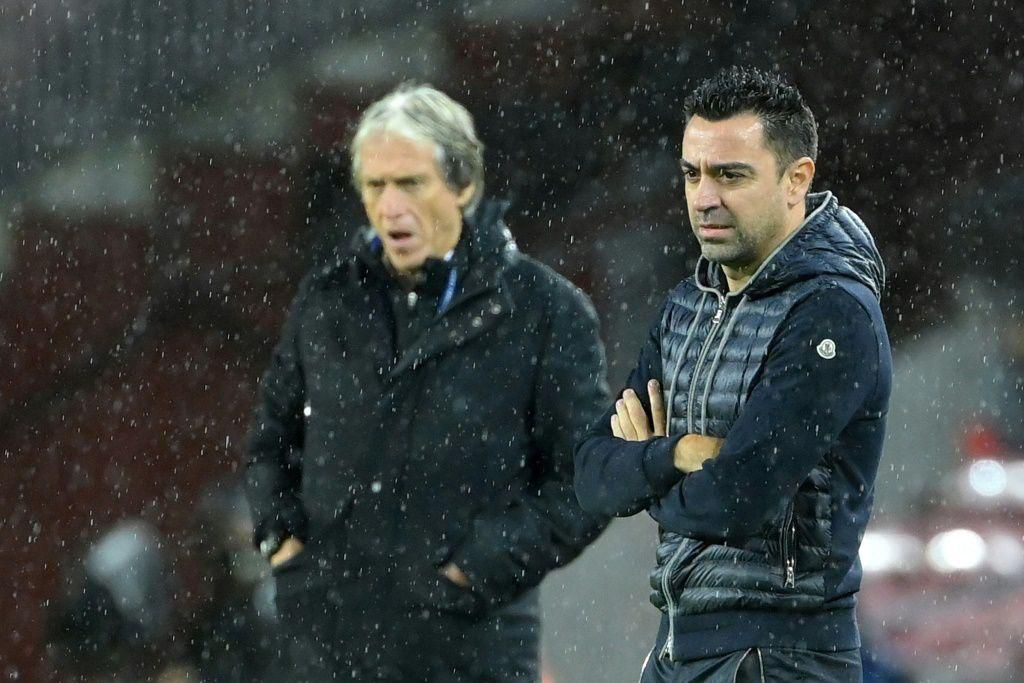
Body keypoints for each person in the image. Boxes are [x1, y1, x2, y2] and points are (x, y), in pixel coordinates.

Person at [244, 83, 610, 682]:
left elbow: (588, 481)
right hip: (330, 653)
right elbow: (270, 441)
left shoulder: (546, 312)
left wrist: (477, 568)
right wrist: (284, 545)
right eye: (374, 186)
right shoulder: (327, 302)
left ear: (463, 185)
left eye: (410, 183)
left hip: (471, 652)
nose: (390, 207)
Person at [574, 66, 892, 682]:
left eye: (731, 175)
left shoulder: (831, 313)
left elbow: (736, 500)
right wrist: (680, 454)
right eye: (692, 173)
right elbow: (589, 475)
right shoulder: (684, 307)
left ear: (797, 180)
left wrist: (645, 469)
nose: (704, 196)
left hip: (780, 657)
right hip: (677, 647)